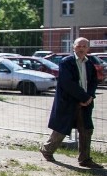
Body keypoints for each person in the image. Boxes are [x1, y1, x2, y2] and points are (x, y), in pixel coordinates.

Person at [39, 37, 101, 168]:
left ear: (88, 49)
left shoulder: (89, 64)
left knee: (86, 130)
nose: (81, 48)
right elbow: (68, 83)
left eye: (84, 46)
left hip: (86, 103)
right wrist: (83, 97)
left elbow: (94, 82)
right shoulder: (66, 62)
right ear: (73, 47)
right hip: (69, 102)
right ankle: (47, 150)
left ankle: (85, 159)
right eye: (79, 46)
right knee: (61, 129)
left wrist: (89, 97)